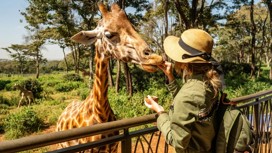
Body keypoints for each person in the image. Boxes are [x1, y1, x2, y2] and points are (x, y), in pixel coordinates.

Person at [144, 28, 224, 153]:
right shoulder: (209, 83)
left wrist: (160, 113)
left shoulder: (189, 94)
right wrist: (170, 77)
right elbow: (190, 107)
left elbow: (177, 141)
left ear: (184, 63)